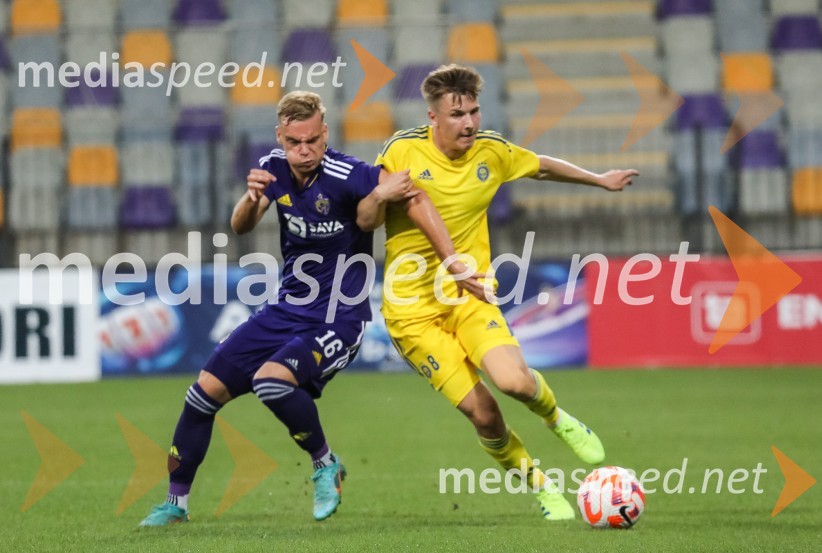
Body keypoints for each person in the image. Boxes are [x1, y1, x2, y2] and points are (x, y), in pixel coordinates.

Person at [139, 90, 466, 526]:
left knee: (271, 383)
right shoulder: (274, 170)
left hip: (339, 318)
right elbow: (240, 226)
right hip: (285, 310)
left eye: (313, 139)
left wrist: (391, 203)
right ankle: (175, 505)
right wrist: (251, 198)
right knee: (200, 396)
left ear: (324, 132)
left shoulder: (351, 173)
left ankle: (324, 464)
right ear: (281, 137)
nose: (305, 150)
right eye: (295, 142)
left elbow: (377, 215)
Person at [375, 64, 639, 520]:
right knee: (485, 415)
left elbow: (540, 167)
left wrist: (598, 178)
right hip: (412, 313)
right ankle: (541, 486)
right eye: (457, 115)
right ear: (433, 117)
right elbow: (382, 207)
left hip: (470, 294)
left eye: (474, 111)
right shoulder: (402, 151)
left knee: (515, 381)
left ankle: (559, 419)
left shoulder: (491, 151)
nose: (470, 123)